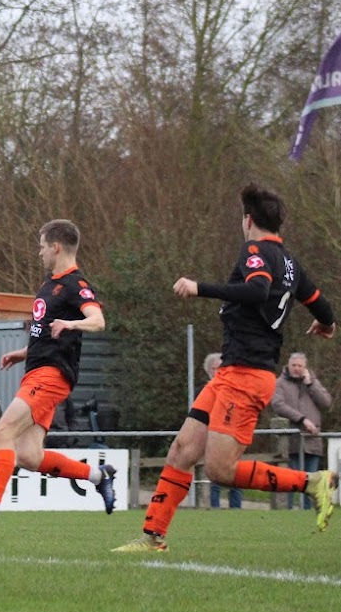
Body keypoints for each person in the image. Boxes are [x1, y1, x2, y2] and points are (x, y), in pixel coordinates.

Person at [116, 190, 338, 549]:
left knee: (220, 470)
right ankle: (151, 537)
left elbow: (257, 290)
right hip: (231, 373)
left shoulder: (255, 251)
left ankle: (312, 482)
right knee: (182, 450)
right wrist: (326, 325)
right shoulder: (291, 263)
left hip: (248, 377)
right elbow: (320, 304)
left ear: (248, 220)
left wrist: (198, 287)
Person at [0, 220, 117, 533]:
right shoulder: (49, 284)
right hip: (37, 371)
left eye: (42, 245)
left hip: (51, 376)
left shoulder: (75, 284)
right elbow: (45, 336)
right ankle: (99, 476)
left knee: (3, 432)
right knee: (28, 455)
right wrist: (23, 352)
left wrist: (72, 325)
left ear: (56, 246)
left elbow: (97, 321)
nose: (39, 252)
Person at [270, 351, 331, 508]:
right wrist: (302, 419)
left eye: (300, 366)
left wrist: (311, 384)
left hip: (313, 439)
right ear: (288, 365)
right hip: (292, 440)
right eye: (294, 365)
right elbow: (277, 405)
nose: (296, 368)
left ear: (305, 367)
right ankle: (290, 512)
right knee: (292, 479)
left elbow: (326, 403)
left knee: (311, 481)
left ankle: (308, 513)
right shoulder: (280, 383)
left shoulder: (312, 381)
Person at [197, 354, 240, 509]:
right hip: (211, 437)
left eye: (221, 368)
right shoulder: (203, 392)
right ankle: (214, 508)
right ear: (209, 371)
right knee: (213, 474)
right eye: (214, 368)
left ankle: (236, 509)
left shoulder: (236, 391)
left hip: (231, 436)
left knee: (234, 473)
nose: (218, 371)